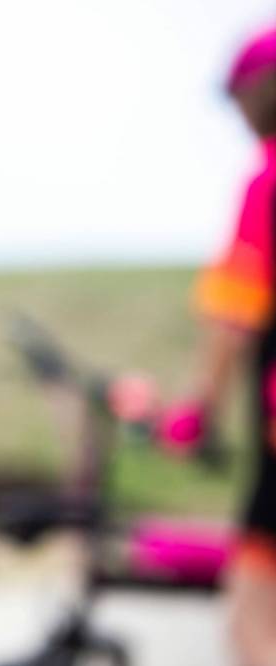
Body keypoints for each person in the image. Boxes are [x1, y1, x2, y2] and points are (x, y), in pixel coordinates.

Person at [134, 24, 276, 666]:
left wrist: (196, 413)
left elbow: (233, 317)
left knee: (253, 614)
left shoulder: (266, 184)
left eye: (239, 100)